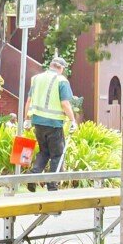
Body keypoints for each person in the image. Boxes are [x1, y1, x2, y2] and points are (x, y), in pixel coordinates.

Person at [26, 52, 76, 188]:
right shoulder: (62, 81)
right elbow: (65, 103)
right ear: (62, 68)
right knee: (57, 155)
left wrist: (27, 119)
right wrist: (73, 121)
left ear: (50, 66)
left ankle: (33, 175)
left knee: (44, 152)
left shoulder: (36, 78)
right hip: (54, 124)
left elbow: (29, 100)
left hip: (38, 122)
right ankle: (52, 184)